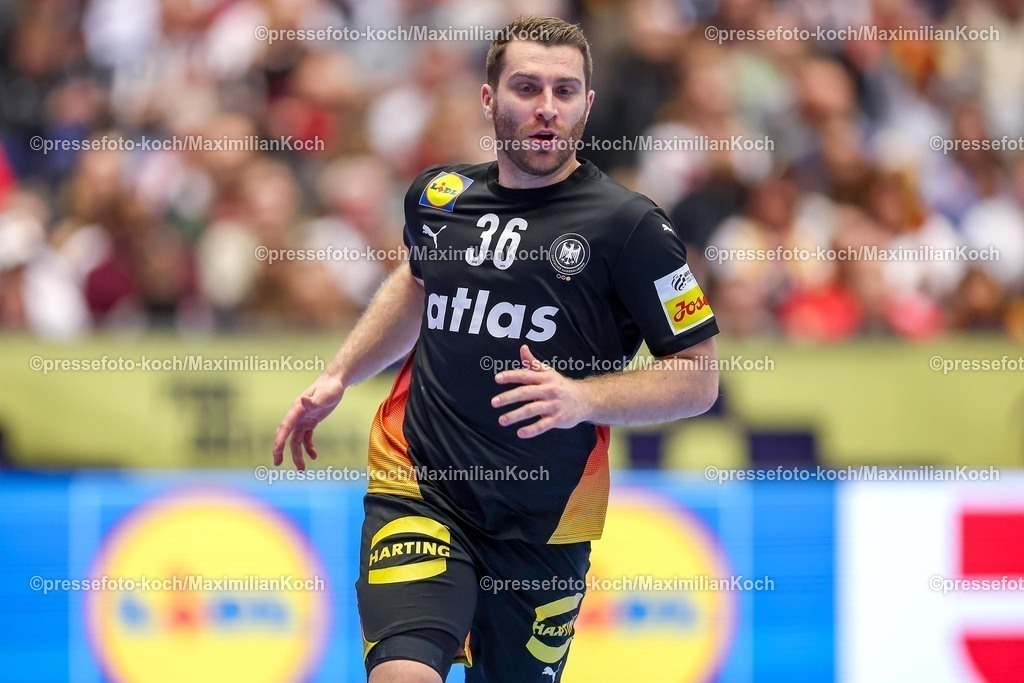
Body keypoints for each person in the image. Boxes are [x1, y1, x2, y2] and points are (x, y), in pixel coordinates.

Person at [273, 16, 720, 683]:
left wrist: (580, 398)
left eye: (565, 91)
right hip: (420, 483)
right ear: (489, 99)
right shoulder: (439, 198)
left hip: (546, 522)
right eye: (527, 87)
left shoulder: (633, 228)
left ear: (588, 104)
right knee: (402, 673)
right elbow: (419, 280)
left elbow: (698, 378)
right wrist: (341, 373)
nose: (547, 108)